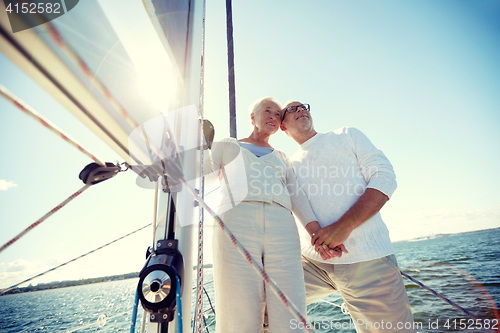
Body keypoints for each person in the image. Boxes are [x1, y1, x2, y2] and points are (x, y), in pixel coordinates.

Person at [279, 101, 416, 333]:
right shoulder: (287, 165)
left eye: (303, 106)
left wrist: (344, 226)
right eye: (292, 109)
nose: (301, 110)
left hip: (368, 260)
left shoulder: (346, 134)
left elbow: (384, 177)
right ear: (282, 126)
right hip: (314, 263)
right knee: (262, 307)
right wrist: (319, 240)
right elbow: (299, 205)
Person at [206, 97, 327, 333]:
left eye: (277, 114)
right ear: (253, 117)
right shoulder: (228, 145)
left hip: (281, 223)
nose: (273, 116)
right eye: (267, 111)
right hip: (235, 221)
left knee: (290, 302)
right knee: (238, 304)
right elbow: (201, 175)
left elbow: (297, 197)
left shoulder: (282, 157)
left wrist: (316, 235)